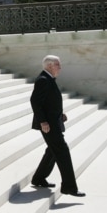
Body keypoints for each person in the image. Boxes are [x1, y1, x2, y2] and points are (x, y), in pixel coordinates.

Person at [30, 55, 86, 197]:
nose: (60, 67)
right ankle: (69, 187)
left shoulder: (48, 79)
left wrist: (60, 114)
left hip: (53, 122)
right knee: (62, 152)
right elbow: (35, 102)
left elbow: (48, 102)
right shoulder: (43, 80)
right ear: (49, 66)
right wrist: (43, 122)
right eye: (57, 65)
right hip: (48, 125)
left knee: (52, 151)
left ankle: (38, 178)